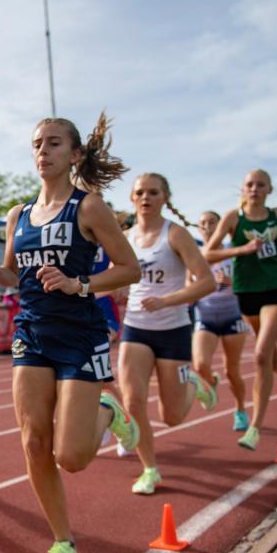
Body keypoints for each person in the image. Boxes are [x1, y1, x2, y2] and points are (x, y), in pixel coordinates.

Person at [0, 113, 141, 553]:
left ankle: (109, 413)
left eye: (53, 144)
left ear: (74, 154)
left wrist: (79, 284)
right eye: (36, 145)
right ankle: (63, 539)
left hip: (79, 336)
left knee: (72, 457)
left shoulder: (87, 207)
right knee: (33, 441)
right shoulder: (19, 214)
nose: (42, 152)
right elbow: (14, 275)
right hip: (31, 331)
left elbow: (130, 268)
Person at [117, 174, 216, 494]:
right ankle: (150, 469)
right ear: (132, 199)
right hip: (135, 328)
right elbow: (120, 281)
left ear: (165, 198)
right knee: (133, 400)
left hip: (173, 328)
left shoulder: (176, 235)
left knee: (171, 416)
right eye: (140, 193)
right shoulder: (124, 238)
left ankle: (194, 384)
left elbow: (206, 282)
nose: (146, 198)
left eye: (153, 192)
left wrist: (166, 300)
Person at [204, 169, 277, 451]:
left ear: (269, 189)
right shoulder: (232, 218)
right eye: (250, 184)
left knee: (261, 353)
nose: (254, 189)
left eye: (260, 185)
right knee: (268, 355)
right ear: (243, 189)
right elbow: (208, 252)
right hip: (246, 292)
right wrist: (241, 250)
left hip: (276, 289)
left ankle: (254, 427)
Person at [192, 211, 250, 433]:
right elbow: (188, 281)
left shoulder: (230, 252)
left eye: (211, 223)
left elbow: (246, 283)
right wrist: (200, 285)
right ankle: (211, 381)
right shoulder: (195, 254)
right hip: (205, 314)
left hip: (231, 315)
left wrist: (230, 282)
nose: (207, 227)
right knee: (200, 365)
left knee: (232, 370)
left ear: (220, 226)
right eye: (202, 223)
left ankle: (241, 410)